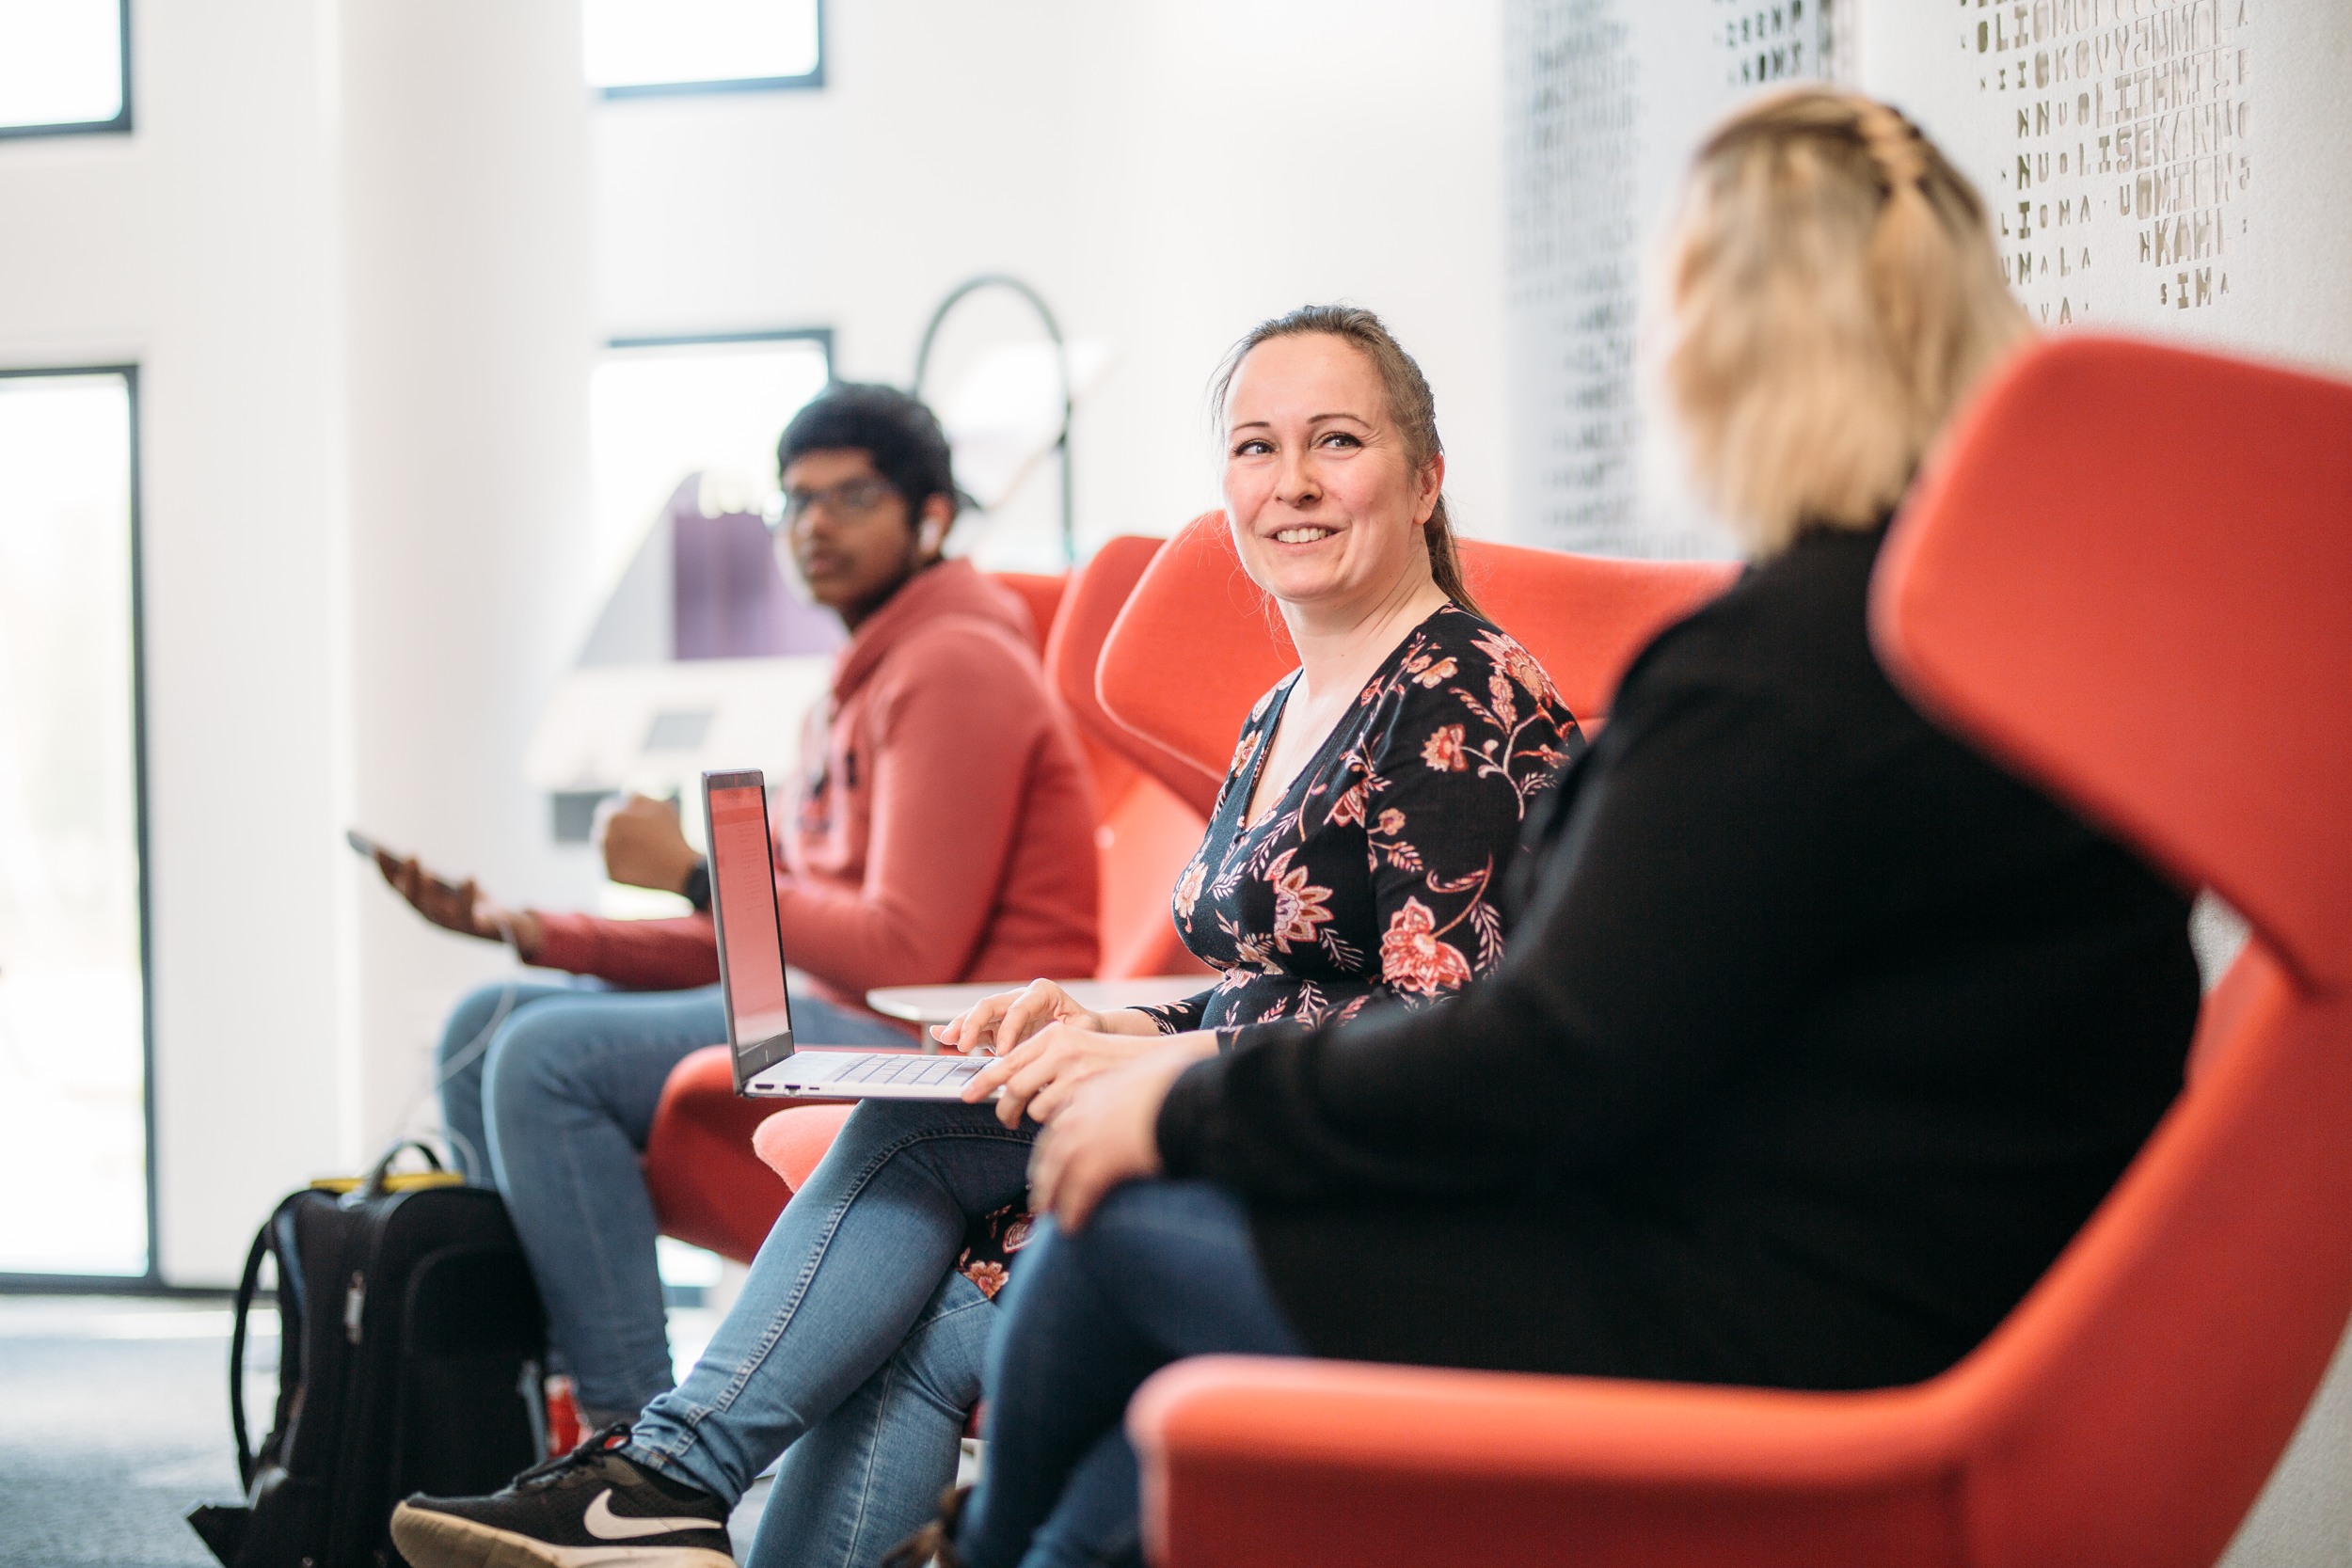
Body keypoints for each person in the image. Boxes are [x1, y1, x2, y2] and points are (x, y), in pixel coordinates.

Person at [926, 89, 2204, 1568]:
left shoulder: (1783, 670)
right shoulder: (2024, 649)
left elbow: (1544, 1054)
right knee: (1120, 1483)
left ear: (1710, 356)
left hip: (1776, 1332)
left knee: (1113, 1242)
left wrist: (1184, 1101)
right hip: (1957, 1301)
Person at [388, 306, 1586, 1568]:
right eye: (1254, 447)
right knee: (917, 1169)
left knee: (917, 1299)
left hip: (1357, 1171)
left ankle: (656, 1477)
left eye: (1335, 442)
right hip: (1250, 1110)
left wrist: (1147, 1063)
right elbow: (1266, 982)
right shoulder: (1282, 704)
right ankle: (660, 1482)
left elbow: (1446, 1024)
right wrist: (1110, 1021)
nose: (1289, 482)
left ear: (1425, 477)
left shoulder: (1459, 688)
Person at [372, 383, 1101, 1432]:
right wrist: (523, 929)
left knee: (545, 1058)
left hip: (945, 1037)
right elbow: (756, 941)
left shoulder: (954, 665)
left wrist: (697, 871)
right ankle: (534, 1400)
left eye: (849, 496)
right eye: (793, 501)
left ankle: (628, 1443)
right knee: (485, 1022)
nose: (813, 525)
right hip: (848, 1003)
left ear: (930, 513)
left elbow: (906, 946)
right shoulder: (853, 685)